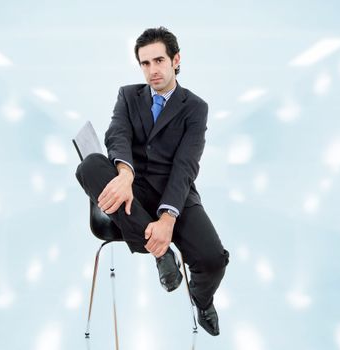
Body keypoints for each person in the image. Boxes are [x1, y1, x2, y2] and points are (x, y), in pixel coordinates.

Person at [76, 26, 229, 336]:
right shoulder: (128, 95)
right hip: (131, 188)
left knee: (214, 260)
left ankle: (201, 300)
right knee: (89, 166)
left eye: (158, 60)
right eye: (145, 63)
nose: (152, 70)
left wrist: (167, 218)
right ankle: (161, 253)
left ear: (176, 60)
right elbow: (117, 134)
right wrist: (125, 174)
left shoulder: (195, 108)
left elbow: (186, 165)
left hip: (176, 192)